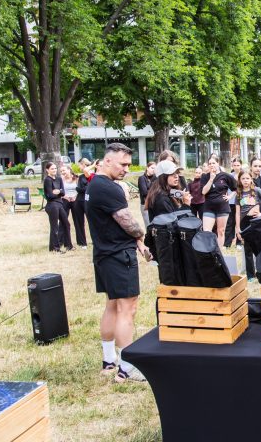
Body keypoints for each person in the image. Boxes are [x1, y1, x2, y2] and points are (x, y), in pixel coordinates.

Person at [85, 143, 150, 383]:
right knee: (127, 309)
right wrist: (142, 237)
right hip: (118, 255)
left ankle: (109, 360)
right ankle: (127, 368)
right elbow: (127, 222)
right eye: (123, 164)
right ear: (107, 161)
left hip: (104, 253)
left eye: (128, 165)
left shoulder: (94, 184)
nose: (126, 169)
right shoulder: (108, 187)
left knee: (112, 306)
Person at [235, 170, 261, 280]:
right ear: (239, 180)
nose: (245, 181)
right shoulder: (238, 193)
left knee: (260, 247)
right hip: (244, 223)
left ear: (251, 179)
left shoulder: (256, 190)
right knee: (247, 249)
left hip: (257, 222)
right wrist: (237, 228)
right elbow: (237, 213)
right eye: (243, 178)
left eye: (247, 178)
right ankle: (250, 275)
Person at [200, 156, 237, 249]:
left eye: (213, 163)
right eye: (210, 163)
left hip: (222, 207)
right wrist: (211, 179)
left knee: (221, 231)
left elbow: (236, 188)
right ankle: (209, 251)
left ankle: (219, 252)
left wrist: (230, 196)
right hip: (209, 207)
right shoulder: (205, 176)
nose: (211, 165)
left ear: (218, 164)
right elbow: (203, 192)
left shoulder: (225, 176)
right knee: (207, 231)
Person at [43, 161, 73, 252]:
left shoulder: (59, 179)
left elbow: (63, 192)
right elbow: (50, 195)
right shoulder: (47, 180)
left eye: (55, 168)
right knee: (54, 226)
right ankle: (55, 248)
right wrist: (58, 192)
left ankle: (69, 245)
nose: (54, 170)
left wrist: (58, 191)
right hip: (52, 205)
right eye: (52, 169)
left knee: (66, 224)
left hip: (59, 204)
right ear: (47, 170)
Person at [224, 157, 243, 248]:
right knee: (230, 222)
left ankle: (239, 242)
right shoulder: (229, 175)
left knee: (240, 222)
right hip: (231, 202)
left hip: (241, 201)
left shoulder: (243, 175)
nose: (236, 167)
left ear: (241, 165)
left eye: (238, 165)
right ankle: (227, 243)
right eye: (234, 165)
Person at [61, 165, 80, 248]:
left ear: (69, 170)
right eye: (61, 171)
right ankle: (61, 241)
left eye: (64, 170)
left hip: (75, 200)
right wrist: (65, 196)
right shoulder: (61, 179)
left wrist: (75, 197)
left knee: (77, 221)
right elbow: (60, 191)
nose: (62, 172)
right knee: (63, 220)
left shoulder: (76, 178)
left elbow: (80, 189)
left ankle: (80, 241)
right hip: (65, 200)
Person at [74, 158, 91, 248]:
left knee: (92, 221)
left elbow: (87, 189)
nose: (79, 167)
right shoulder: (80, 177)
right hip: (79, 200)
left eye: (79, 165)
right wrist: (79, 189)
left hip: (88, 201)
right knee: (79, 222)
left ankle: (96, 240)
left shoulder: (91, 175)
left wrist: (79, 189)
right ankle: (82, 242)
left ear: (83, 164)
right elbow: (80, 189)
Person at [137, 162, 156, 226]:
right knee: (149, 225)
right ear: (147, 168)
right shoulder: (142, 178)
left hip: (155, 204)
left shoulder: (156, 178)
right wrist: (155, 190)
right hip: (146, 205)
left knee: (156, 225)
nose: (154, 170)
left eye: (155, 168)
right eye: (152, 168)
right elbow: (144, 192)